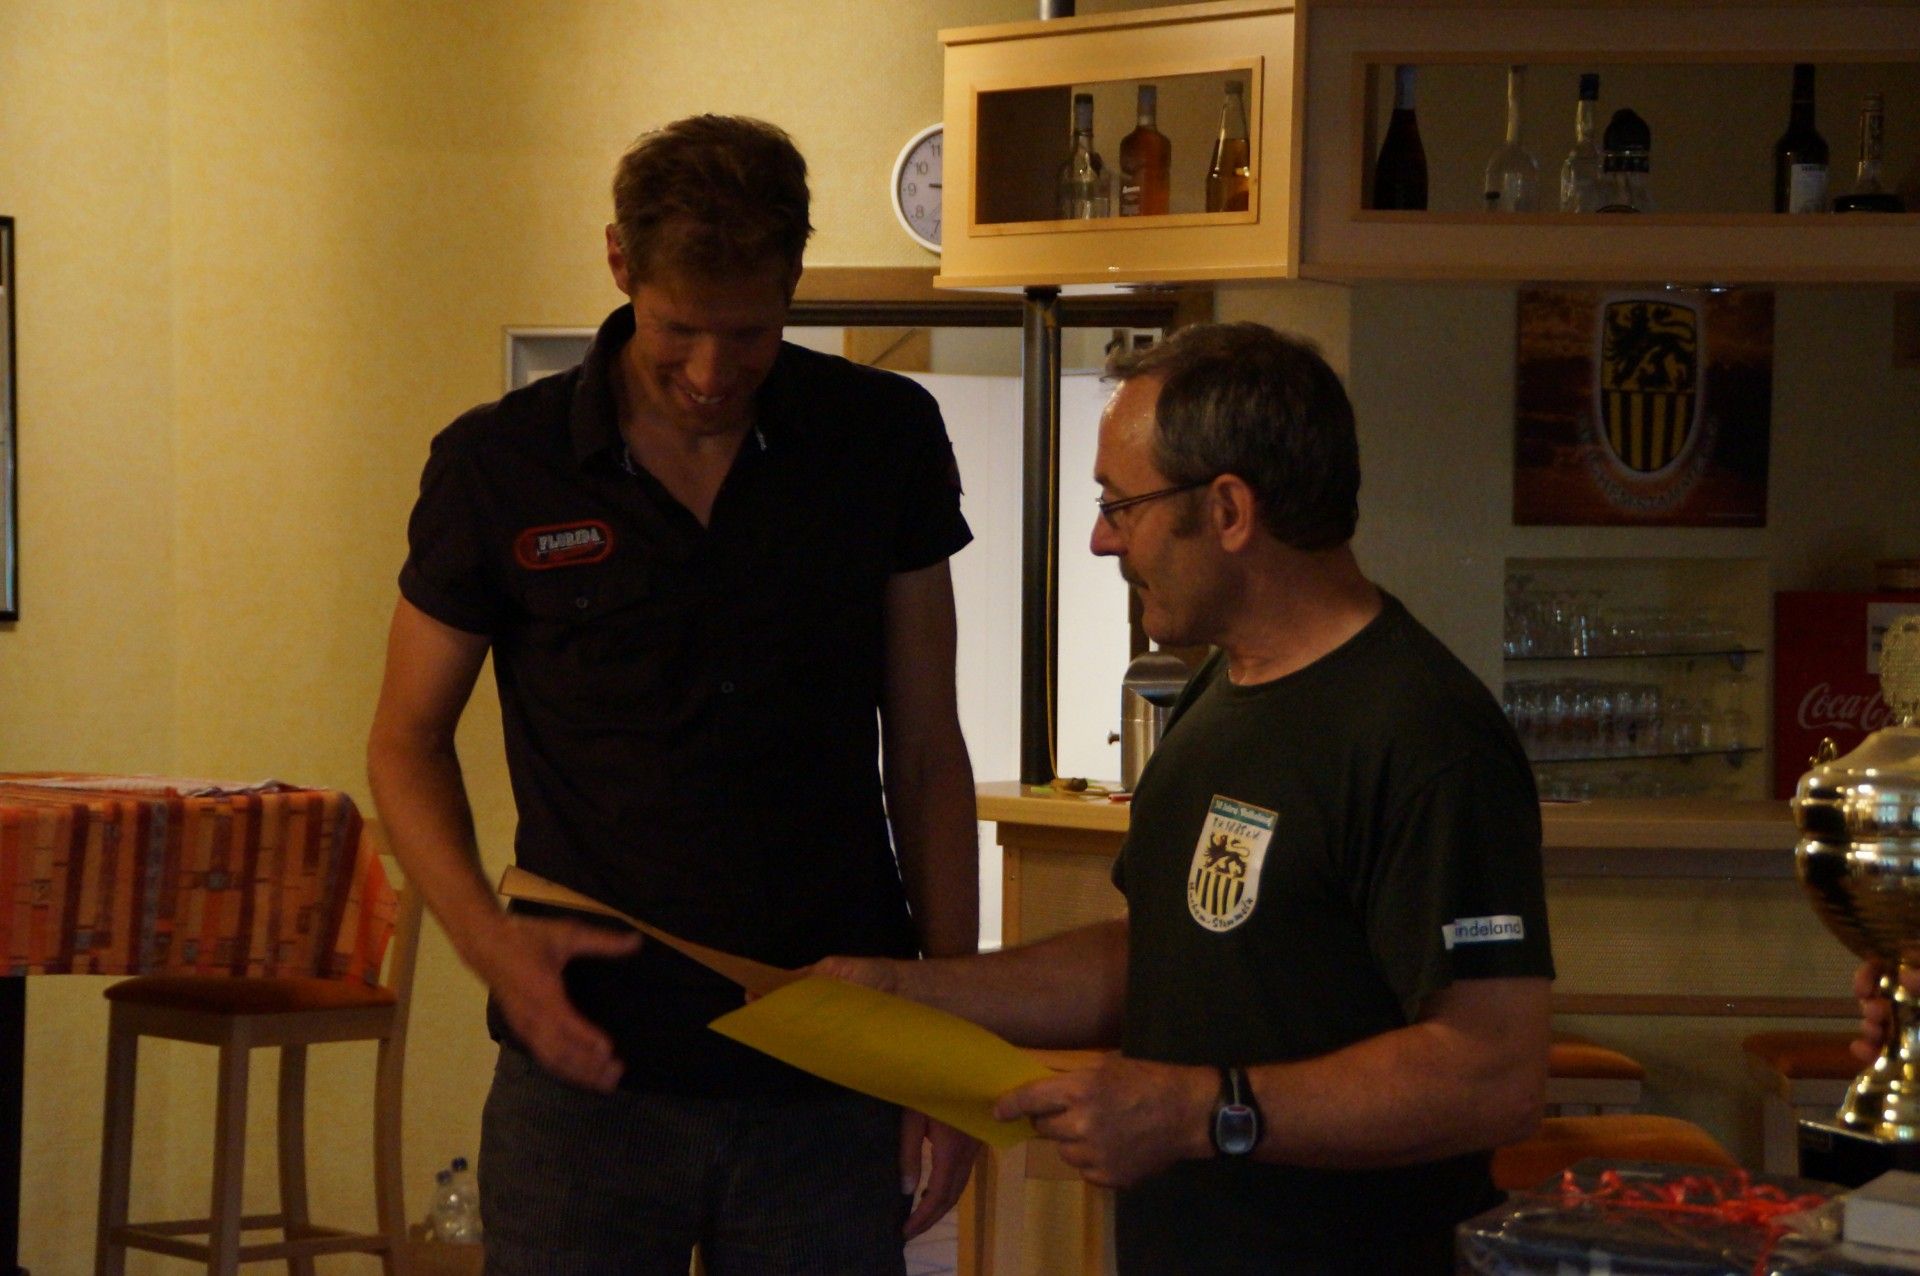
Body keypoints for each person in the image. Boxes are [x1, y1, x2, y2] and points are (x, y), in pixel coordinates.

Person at [367, 114, 980, 1275]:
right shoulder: (499, 465)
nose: (709, 373)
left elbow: (927, 750)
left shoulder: (881, 437)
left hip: (830, 1067)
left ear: (793, 282)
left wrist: (954, 1041)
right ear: (619, 265)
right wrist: (488, 944)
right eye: (678, 330)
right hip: (586, 1075)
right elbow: (404, 741)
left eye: (748, 335)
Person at [818, 322, 1556, 1274]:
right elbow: (1166, 957)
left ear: (1229, 510)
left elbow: (1493, 1074)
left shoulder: (1425, 735)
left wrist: (1201, 1112)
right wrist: (910, 993)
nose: (1100, 539)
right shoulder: (1222, 692)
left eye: (1119, 505)